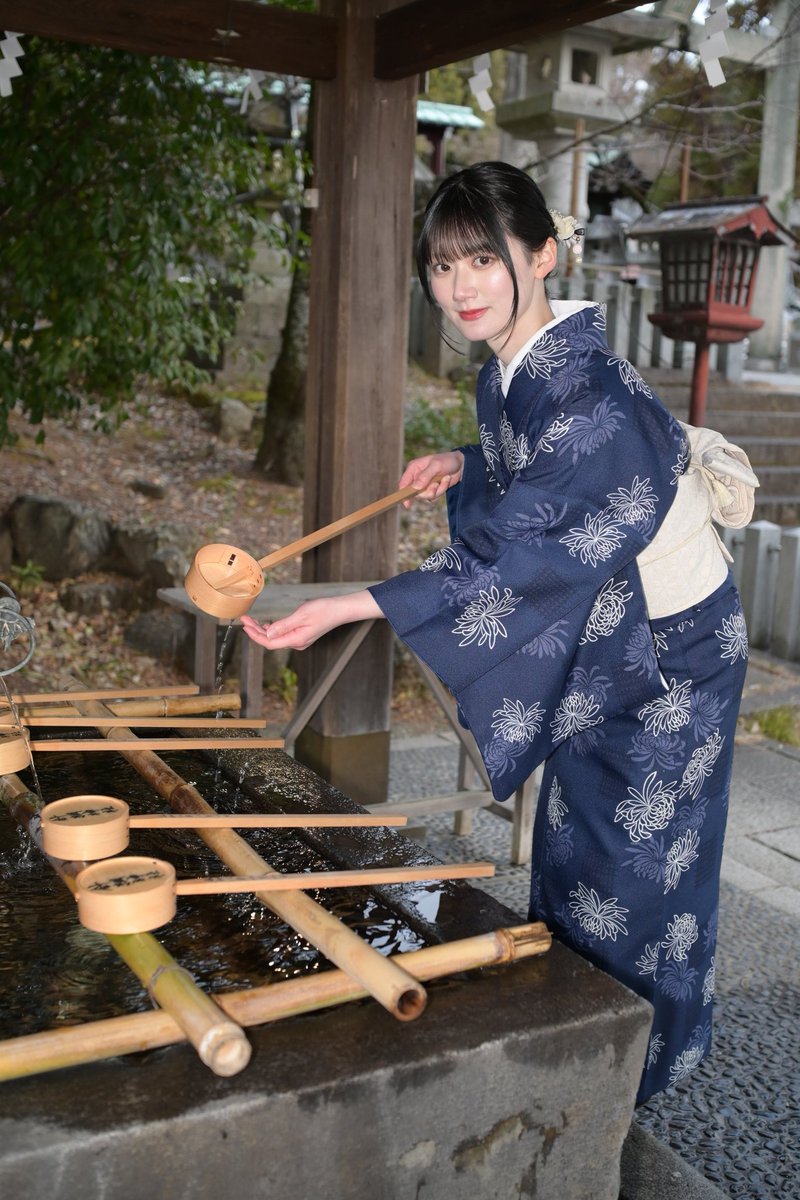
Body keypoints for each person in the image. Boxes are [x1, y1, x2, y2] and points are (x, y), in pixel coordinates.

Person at [242, 161, 757, 1104]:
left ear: (543, 255)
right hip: (618, 642)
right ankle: (585, 1054)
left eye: (484, 258)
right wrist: (470, 459)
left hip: (671, 658)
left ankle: (631, 1077)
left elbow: (528, 549)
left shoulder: (589, 388)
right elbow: (547, 482)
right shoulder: (521, 373)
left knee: (641, 872)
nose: (460, 286)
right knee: (574, 849)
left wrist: (360, 604)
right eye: (442, 266)